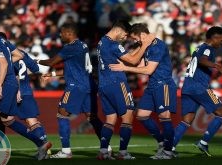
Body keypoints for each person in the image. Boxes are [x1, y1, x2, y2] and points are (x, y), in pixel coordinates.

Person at [0, 18, 51, 160]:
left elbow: (3, 63)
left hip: (4, 84)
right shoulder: (1, 41)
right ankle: (40, 143)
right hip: (11, 84)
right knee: (7, 119)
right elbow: (19, 55)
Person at [109, 23, 177, 159]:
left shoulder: (158, 46)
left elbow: (148, 70)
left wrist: (125, 68)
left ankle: (168, 152)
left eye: (135, 38)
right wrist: (123, 62)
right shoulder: (147, 46)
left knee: (164, 117)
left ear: (143, 35)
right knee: (141, 115)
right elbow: (141, 64)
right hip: (152, 85)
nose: (135, 41)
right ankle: (162, 143)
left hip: (163, 84)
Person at [38, 23, 105, 158]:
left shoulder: (70, 47)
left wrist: (35, 61)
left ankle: (66, 151)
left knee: (62, 114)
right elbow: (72, 69)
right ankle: (106, 149)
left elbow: (51, 62)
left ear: (69, 33)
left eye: (62, 33)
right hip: (89, 85)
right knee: (92, 117)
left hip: (76, 86)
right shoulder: (82, 45)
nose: (60, 35)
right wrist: (51, 75)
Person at [96, 21, 154, 160]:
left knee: (110, 119)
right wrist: (145, 44)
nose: (125, 38)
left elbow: (127, 57)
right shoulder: (114, 44)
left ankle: (103, 152)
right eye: (125, 35)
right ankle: (122, 153)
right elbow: (133, 61)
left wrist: (138, 46)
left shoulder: (101, 42)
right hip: (117, 83)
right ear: (118, 31)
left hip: (104, 84)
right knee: (127, 117)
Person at [172, 26, 222, 157]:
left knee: (187, 119)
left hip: (187, 87)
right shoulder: (208, 49)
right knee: (221, 114)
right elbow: (203, 60)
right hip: (200, 87)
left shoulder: (199, 47)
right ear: (214, 37)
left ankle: (170, 147)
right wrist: (217, 66)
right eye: (221, 40)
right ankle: (203, 142)